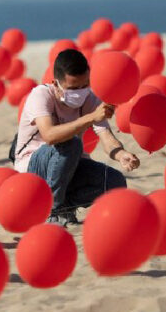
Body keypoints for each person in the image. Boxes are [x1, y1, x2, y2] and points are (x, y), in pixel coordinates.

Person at [14, 49, 140, 225]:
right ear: (56, 84)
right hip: (32, 168)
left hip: (68, 167)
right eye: (73, 88)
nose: (81, 92)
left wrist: (121, 154)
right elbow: (49, 135)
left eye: (85, 85)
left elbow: (105, 136)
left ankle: (66, 207)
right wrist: (90, 118)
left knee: (115, 182)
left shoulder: (90, 99)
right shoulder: (41, 95)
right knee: (71, 143)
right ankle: (53, 210)